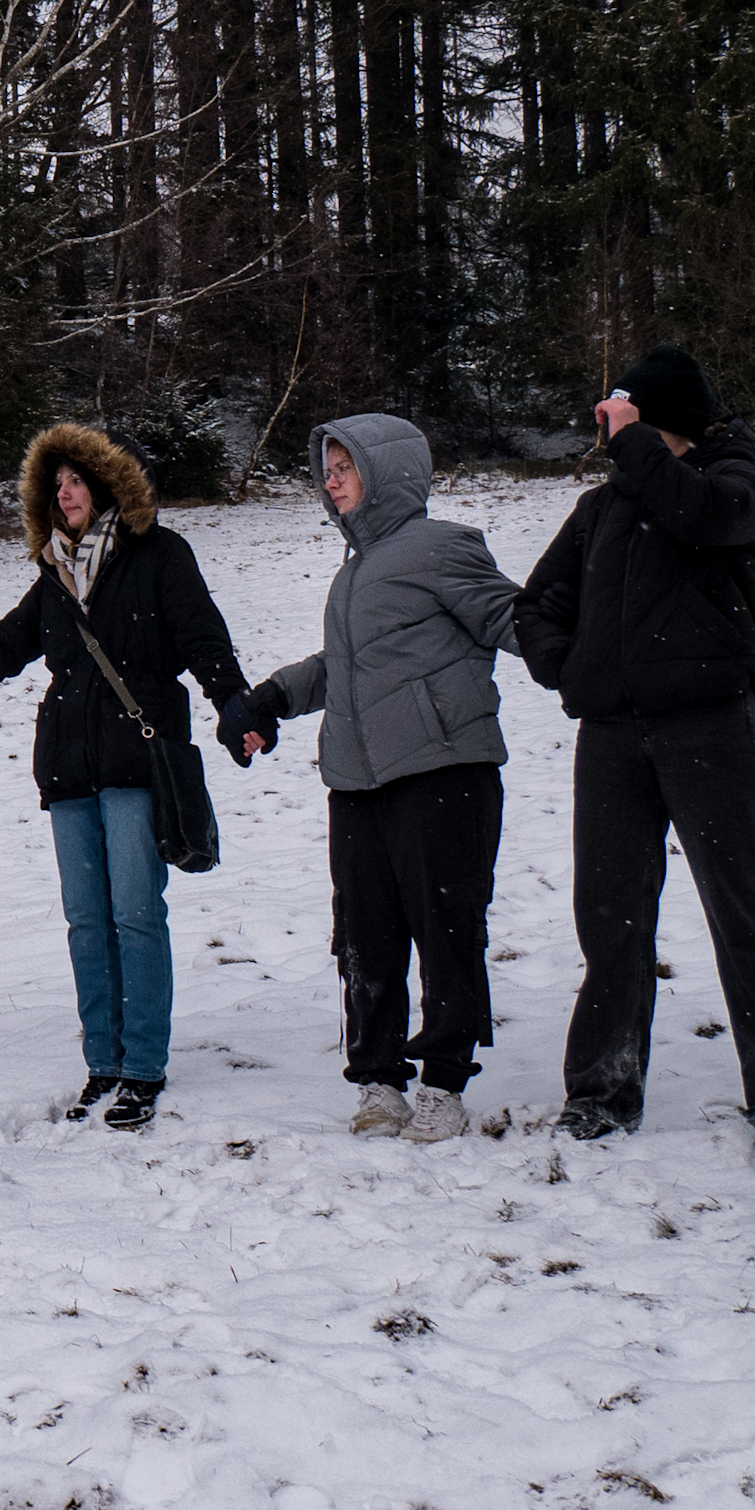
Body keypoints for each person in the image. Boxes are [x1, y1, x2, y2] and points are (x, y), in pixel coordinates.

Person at [513, 346, 755, 1153]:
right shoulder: (603, 508)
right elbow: (538, 602)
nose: (613, 433)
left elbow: (706, 516)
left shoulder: (735, 479)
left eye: (629, 419)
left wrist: (636, 444)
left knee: (743, 911)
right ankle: (601, 1089)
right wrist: (570, 666)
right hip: (612, 734)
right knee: (610, 920)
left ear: (665, 422)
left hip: (711, 725)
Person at [0, 424, 250, 1131]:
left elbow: (204, 640)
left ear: (110, 484)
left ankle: (143, 1066)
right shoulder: (55, 575)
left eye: (76, 480)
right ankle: (104, 1061)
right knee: (87, 922)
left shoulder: (160, 555)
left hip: (136, 764)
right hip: (67, 770)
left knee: (135, 915)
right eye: (55, 483)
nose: (63, 493)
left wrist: (237, 707)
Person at [213, 417, 520, 1142]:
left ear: (387, 470)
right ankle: (379, 1081)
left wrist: (589, 651)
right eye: (327, 469)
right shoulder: (352, 572)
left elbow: (513, 617)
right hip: (356, 781)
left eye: (345, 466)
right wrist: (270, 698)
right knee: (364, 936)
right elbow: (342, 667)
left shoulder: (443, 546)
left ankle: (443, 1084)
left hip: (441, 770)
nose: (332, 481)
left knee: (447, 932)